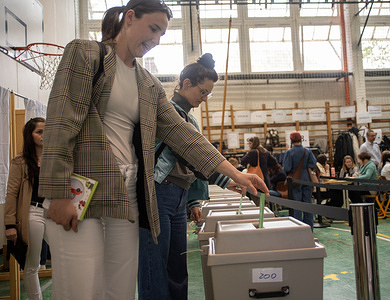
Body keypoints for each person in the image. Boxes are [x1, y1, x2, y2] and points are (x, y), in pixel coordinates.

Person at [38, 1, 269, 299]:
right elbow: (61, 121)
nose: (157, 40)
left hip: (130, 194)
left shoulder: (147, 83)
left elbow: (183, 134)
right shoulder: (86, 53)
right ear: (130, 18)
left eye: (162, 34)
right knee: (80, 289)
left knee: (120, 290)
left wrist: (235, 174)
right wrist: (57, 192)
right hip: (81, 189)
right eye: (154, 29)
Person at [138, 53, 237, 299]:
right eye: (202, 92)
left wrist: (193, 201)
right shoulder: (167, 111)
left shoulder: (189, 118)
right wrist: (227, 179)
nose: (204, 99)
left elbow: (189, 167)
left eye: (208, 94)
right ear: (185, 84)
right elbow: (189, 155)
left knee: (178, 264)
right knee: (155, 266)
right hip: (158, 193)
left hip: (178, 196)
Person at [5, 117, 47, 300]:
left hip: (54, 212)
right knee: (32, 265)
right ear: (30, 135)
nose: (43, 135)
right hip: (33, 213)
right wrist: (9, 225)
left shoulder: (54, 158)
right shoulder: (20, 162)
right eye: (39, 132)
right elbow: (11, 194)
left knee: (64, 258)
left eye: (46, 131)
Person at [282, 132, 317, 229]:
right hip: (306, 178)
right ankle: (309, 228)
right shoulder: (307, 151)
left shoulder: (289, 152)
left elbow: (287, 168)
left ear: (291, 140)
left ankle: (299, 228)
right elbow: (313, 164)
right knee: (308, 203)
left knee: (296, 204)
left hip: (294, 180)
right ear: (301, 139)